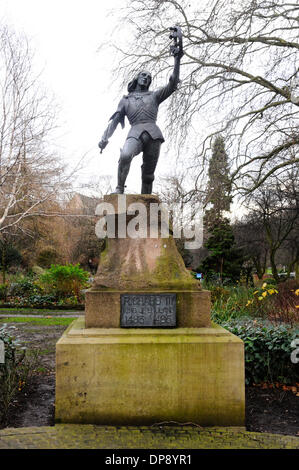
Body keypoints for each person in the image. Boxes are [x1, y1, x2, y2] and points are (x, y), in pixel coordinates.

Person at [98, 27, 183, 194]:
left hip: (153, 134)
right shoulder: (126, 100)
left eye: (149, 77)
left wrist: (177, 59)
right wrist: (104, 138)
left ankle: (147, 204)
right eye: (143, 75)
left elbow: (173, 84)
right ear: (136, 78)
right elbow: (114, 121)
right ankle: (119, 188)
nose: (146, 77)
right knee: (125, 156)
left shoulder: (154, 96)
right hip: (135, 131)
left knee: (148, 175)